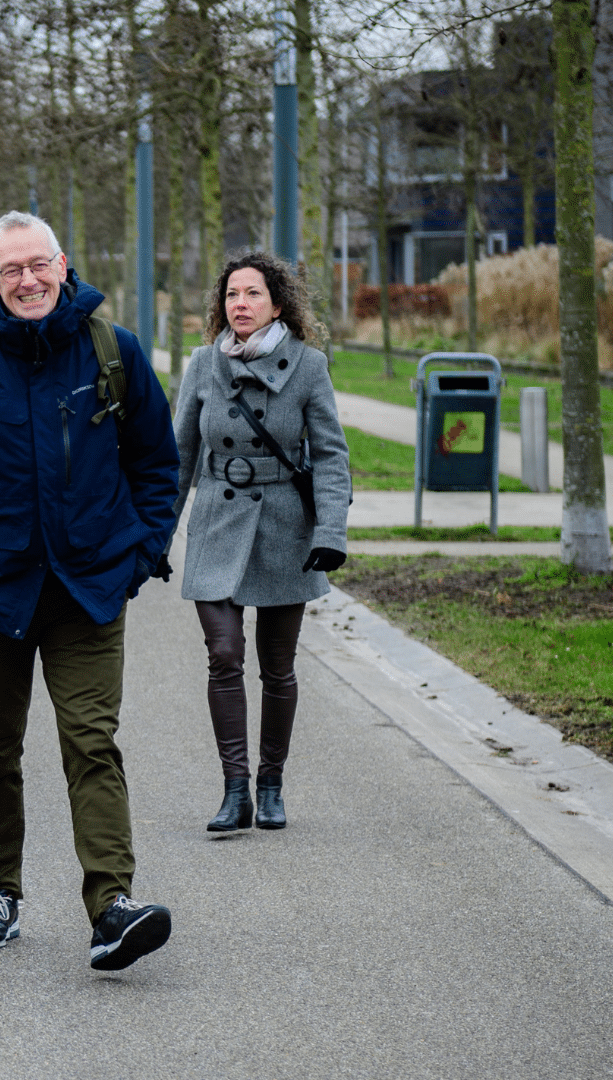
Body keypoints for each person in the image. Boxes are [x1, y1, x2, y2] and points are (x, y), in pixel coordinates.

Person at [0, 211, 179, 970]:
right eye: (10, 270)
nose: (27, 280)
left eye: (37, 265)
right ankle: (0, 894)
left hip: (89, 588)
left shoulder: (115, 353)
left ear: (62, 264)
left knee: (90, 740)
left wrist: (140, 555)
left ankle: (112, 904)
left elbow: (156, 466)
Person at [170, 250, 351, 833]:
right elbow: (178, 461)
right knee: (223, 657)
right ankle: (234, 790)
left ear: (276, 303)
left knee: (277, 667)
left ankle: (271, 785)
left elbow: (329, 456)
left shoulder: (308, 365)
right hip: (216, 524)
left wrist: (329, 533)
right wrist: (154, 537)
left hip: (283, 527)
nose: (239, 305)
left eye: (251, 294)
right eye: (230, 295)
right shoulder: (203, 366)